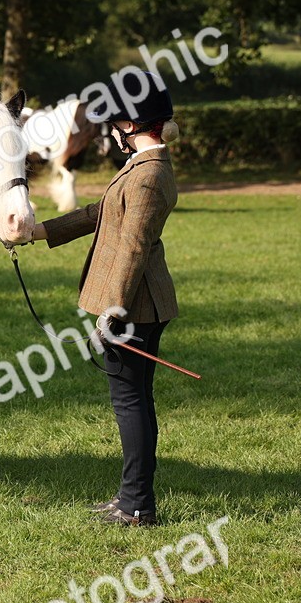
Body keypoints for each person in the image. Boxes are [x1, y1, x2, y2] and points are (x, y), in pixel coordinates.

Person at [28, 71, 179, 527]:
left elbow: (133, 248)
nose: (111, 131)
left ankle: (136, 505)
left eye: (116, 124)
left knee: (131, 403)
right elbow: (101, 212)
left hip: (135, 307)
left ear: (131, 126)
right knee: (135, 400)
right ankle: (132, 498)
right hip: (136, 304)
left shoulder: (149, 175)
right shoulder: (140, 169)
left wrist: (112, 312)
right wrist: (40, 232)